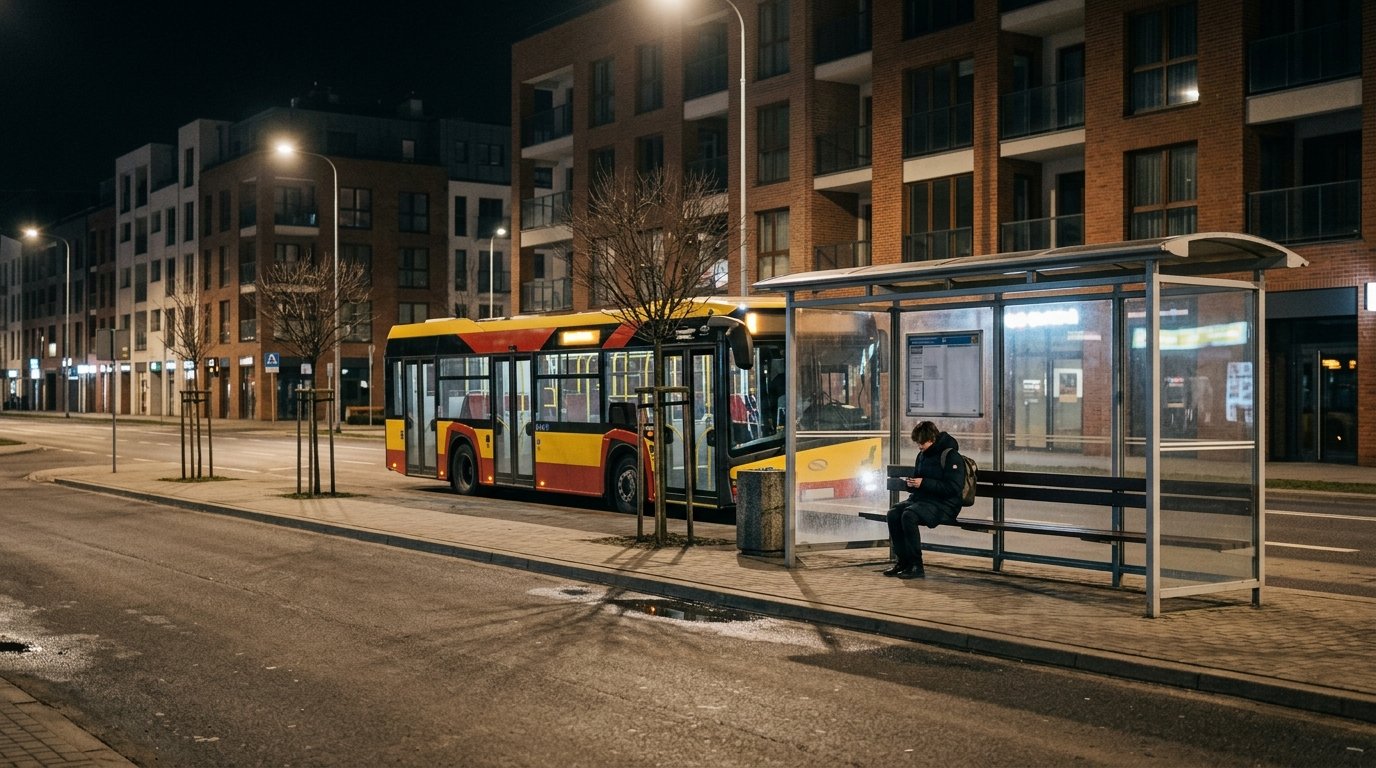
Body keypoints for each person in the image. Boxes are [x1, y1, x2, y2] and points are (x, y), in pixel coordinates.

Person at [883, 421, 966, 579]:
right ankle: (903, 562)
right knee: (893, 514)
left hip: (945, 505)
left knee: (909, 515)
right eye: (917, 443)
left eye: (922, 443)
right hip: (922, 501)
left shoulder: (950, 456)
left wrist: (924, 483)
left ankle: (916, 566)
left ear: (932, 439)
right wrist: (911, 484)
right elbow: (919, 480)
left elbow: (953, 488)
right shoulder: (922, 456)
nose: (919, 446)